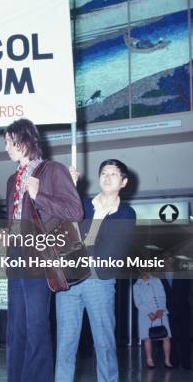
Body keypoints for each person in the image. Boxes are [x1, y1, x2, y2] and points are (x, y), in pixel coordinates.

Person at [3, 118, 83, 382]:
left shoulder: (52, 170)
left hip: (39, 255)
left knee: (36, 325)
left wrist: (40, 197)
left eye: (9, 141)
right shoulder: (10, 180)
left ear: (24, 141)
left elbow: (75, 211)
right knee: (15, 326)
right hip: (16, 255)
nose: (6, 148)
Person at [56, 159, 136, 381]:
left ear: (124, 182)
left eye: (113, 174)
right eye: (104, 172)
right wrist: (69, 187)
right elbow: (62, 226)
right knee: (65, 343)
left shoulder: (126, 214)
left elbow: (112, 250)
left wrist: (80, 245)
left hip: (99, 281)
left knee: (104, 343)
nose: (107, 176)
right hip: (70, 281)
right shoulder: (81, 204)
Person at [134, 270, 173, 369]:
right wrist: (148, 313)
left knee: (166, 336)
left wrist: (161, 309)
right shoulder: (136, 285)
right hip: (145, 314)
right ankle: (149, 360)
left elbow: (162, 296)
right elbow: (137, 302)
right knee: (147, 338)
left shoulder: (157, 280)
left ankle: (167, 361)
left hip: (160, 312)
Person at [161, 255, 192, 370]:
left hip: (183, 310)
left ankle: (186, 363)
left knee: (185, 337)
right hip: (168, 312)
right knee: (171, 337)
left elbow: (186, 291)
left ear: (173, 260)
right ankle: (174, 361)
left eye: (170, 259)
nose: (168, 261)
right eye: (165, 259)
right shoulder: (159, 277)